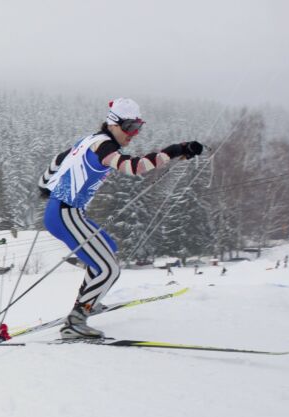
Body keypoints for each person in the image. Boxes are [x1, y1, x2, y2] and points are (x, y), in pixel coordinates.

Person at [39, 98, 203, 338]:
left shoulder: (89, 140)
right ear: (112, 123)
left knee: (108, 249)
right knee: (109, 269)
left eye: (138, 127)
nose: (133, 133)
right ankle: (75, 322)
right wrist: (177, 149)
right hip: (66, 214)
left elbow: (57, 160)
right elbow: (135, 167)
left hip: (66, 212)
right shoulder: (104, 146)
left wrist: (44, 185)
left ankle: (88, 303)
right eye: (129, 127)